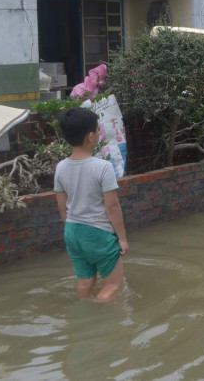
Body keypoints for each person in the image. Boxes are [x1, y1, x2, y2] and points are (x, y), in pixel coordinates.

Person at [54, 108, 128, 301]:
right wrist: (122, 238)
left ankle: (84, 312)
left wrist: (72, 228)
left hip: (72, 231)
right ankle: (102, 316)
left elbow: (62, 206)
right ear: (90, 137)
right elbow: (112, 207)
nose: (99, 133)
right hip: (98, 234)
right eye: (97, 130)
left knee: (85, 283)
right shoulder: (103, 167)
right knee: (113, 285)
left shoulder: (60, 167)